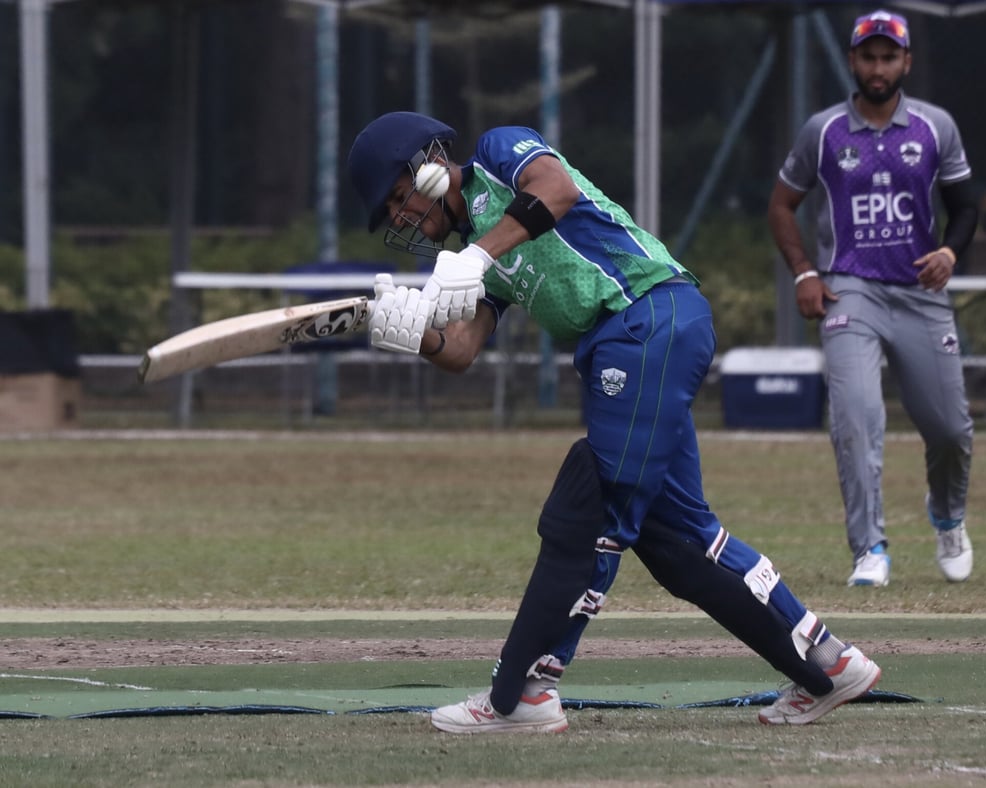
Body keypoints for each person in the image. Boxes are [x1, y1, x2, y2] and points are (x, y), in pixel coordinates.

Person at [346, 110, 881, 732]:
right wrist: (415, 336)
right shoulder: (477, 257)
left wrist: (479, 255)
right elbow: (463, 348)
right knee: (681, 544)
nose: (402, 218)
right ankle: (829, 663)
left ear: (428, 164)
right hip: (633, 340)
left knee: (593, 501)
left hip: (646, 316)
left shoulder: (497, 153)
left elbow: (557, 189)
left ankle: (526, 691)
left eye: (397, 197)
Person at [768, 9, 978, 589]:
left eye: (890, 57)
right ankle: (870, 549)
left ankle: (949, 517)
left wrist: (951, 255)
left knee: (951, 431)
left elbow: (965, 208)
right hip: (849, 290)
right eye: (869, 56)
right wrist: (804, 273)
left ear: (905, 62)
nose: (879, 67)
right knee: (856, 417)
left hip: (919, 291)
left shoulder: (935, 127)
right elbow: (781, 204)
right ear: (854, 61)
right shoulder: (825, 130)